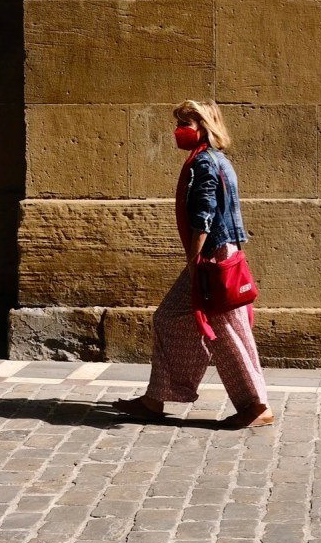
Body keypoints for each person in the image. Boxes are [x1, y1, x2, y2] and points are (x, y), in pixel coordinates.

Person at [111, 100, 273, 429]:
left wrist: (193, 260)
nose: (178, 130)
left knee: (227, 334)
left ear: (201, 126)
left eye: (184, 123)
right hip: (221, 254)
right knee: (173, 319)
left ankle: (256, 406)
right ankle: (156, 398)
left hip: (212, 258)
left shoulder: (204, 163)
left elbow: (204, 216)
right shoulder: (218, 160)